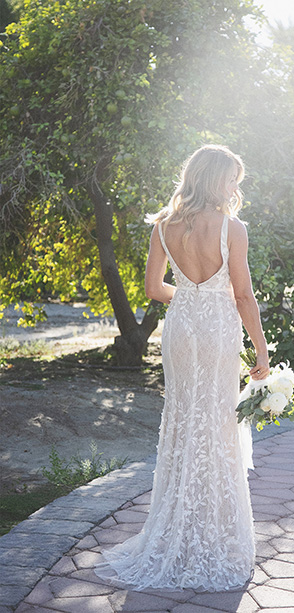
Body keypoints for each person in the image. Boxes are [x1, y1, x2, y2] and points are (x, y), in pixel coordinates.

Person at [95, 144, 269, 590]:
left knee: (183, 422)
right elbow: (245, 297)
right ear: (214, 179)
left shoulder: (163, 226)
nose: (236, 187)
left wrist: (193, 297)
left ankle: (176, 531)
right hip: (217, 332)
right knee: (216, 424)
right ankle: (211, 536)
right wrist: (262, 353)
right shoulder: (233, 228)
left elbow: (155, 288)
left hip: (180, 330)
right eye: (232, 178)